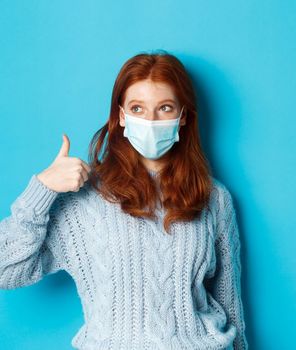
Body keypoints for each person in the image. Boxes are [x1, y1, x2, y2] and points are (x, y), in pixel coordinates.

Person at [0, 50, 249, 350]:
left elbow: (229, 303)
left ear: (183, 117)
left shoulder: (214, 199)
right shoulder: (84, 201)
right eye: (138, 108)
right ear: (121, 116)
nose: (151, 120)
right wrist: (42, 189)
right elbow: (5, 271)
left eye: (165, 108)